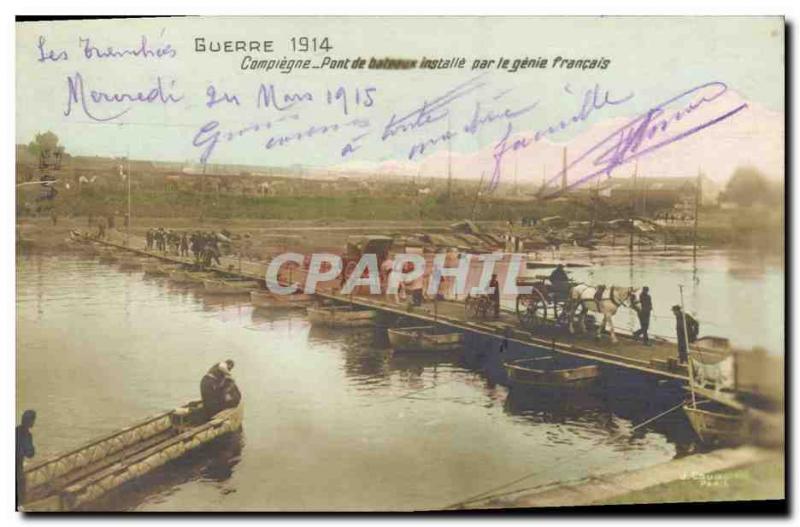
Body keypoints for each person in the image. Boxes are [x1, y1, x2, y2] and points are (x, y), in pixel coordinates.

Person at [16, 409, 36, 509]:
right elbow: (30, 454)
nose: (34, 423)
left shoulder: (16, 431)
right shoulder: (27, 435)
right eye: (33, 420)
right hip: (17, 466)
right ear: (30, 421)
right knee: (20, 485)